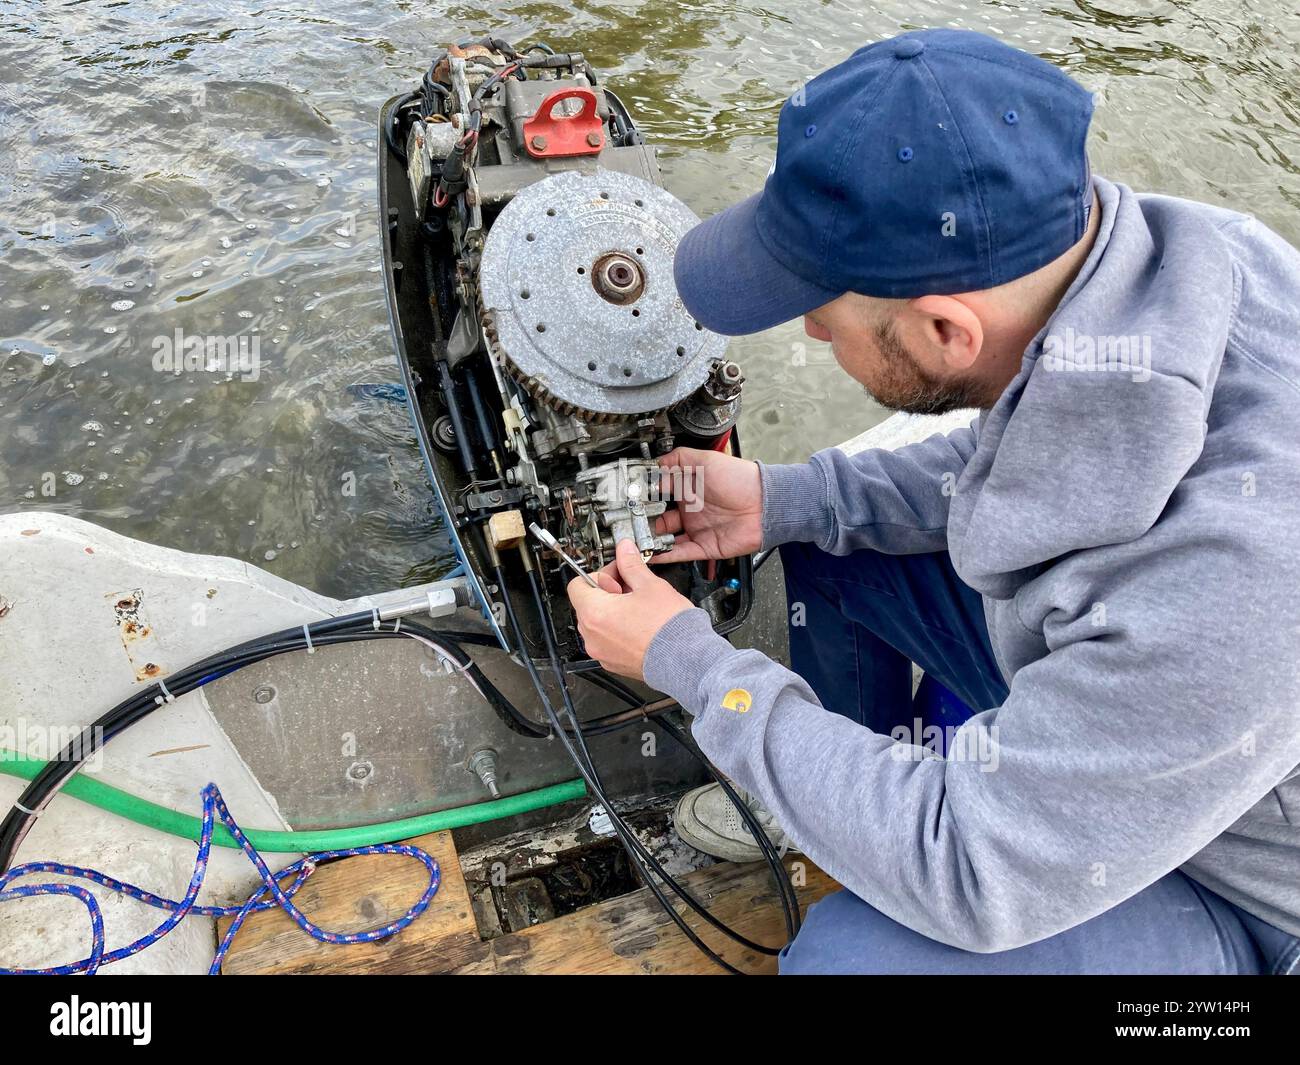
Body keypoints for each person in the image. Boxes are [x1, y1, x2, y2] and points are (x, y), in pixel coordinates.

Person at [565, 29, 1300, 975]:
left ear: (950, 330)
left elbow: (973, 872)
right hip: (1153, 733)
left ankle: (887, 827)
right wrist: (792, 496)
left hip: (1253, 889)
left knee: (846, 965)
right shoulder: (1173, 257)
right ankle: (853, 812)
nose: (810, 327)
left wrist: (700, 670)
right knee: (827, 533)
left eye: (822, 312)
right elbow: (1043, 442)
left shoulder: (1232, 586)